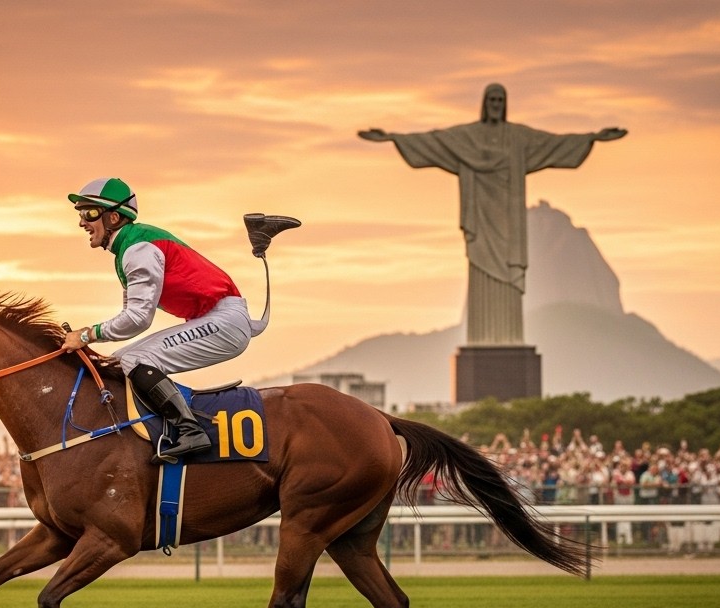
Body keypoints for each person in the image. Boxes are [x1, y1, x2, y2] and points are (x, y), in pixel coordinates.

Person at [360, 83, 626, 345]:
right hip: (481, 219)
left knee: (508, 279)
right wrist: (393, 138)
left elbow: (553, 144)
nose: (496, 106)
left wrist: (592, 137)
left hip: (509, 224)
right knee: (482, 273)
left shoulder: (519, 138)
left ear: (505, 105)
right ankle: (484, 337)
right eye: (492, 101)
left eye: (500, 101)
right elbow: (434, 141)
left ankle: (508, 338)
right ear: (485, 105)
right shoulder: (468, 138)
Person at [60, 177, 298, 461]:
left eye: (89, 214)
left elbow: (137, 319)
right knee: (119, 360)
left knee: (136, 361)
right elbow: (130, 318)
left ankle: (191, 432)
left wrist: (87, 335)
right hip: (216, 318)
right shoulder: (129, 248)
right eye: (80, 214)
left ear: (113, 217)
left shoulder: (138, 249)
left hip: (224, 322)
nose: (82, 222)